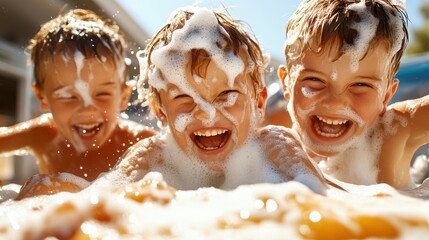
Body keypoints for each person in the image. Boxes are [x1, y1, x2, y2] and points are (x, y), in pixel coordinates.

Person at [91, 6, 327, 192]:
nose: (206, 113)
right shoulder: (151, 158)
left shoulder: (274, 148)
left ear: (258, 102)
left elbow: (326, 199)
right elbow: (100, 202)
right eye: (183, 97)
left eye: (226, 95)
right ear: (160, 111)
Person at [278, 0, 429, 189]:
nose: (335, 103)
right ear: (286, 83)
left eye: (360, 85)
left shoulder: (391, 136)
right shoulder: (273, 147)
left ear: (385, 96)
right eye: (315, 81)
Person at [0, 9, 156, 182]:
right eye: (68, 96)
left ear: (124, 96)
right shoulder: (43, 135)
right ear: (42, 97)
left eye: (102, 94)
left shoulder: (142, 143)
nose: (87, 109)